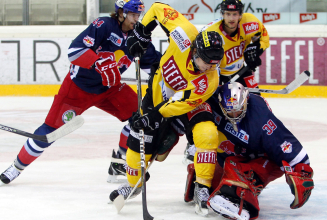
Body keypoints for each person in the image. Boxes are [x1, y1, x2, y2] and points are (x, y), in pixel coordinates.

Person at [0, 0, 161, 185]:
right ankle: (16, 168)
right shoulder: (103, 25)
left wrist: (162, 77)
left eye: (138, 15)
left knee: (141, 115)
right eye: (133, 14)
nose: (136, 19)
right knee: (50, 131)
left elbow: (153, 65)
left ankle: (119, 163)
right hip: (78, 89)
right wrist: (98, 63)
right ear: (121, 13)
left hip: (111, 88)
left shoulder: (137, 35)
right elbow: (75, 51)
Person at [108, 2, 225, 216]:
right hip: (157, 93)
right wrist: (141, 33)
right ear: (195, 49)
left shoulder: (209, 80)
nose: (209, 67)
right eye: (206, 62)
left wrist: (155, 115)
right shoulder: (183, 33)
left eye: (214, 64)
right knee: (138, 147)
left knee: (207, 134)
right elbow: (156, 8)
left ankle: (202, 187)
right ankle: (135, 184)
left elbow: (179, 103)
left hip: (188, 106)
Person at [184, 82, 314, 219]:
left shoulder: (260, 118)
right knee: (218, 178)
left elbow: (292, 151)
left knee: (236, 168)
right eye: (230, 111)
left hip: (260, 160)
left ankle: (242, 196)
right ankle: (204, 176)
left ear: (246, 101)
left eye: (238, 110)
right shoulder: (212, 101)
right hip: (230, 155)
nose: (234, 115)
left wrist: (302, 173)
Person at [182, 0, 270, 165]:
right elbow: (196, 52)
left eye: (235, 14)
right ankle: (193, 143)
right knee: (212, 111)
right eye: (228, 14)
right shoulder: (211, 32)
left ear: (240, 15)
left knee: (258, 104)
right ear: (222, 14)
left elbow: (263, 35)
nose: (231, 18)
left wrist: (256, 50)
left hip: (242, 72)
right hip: (217, 76)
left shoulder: (249, 22)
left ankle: (259, 140)